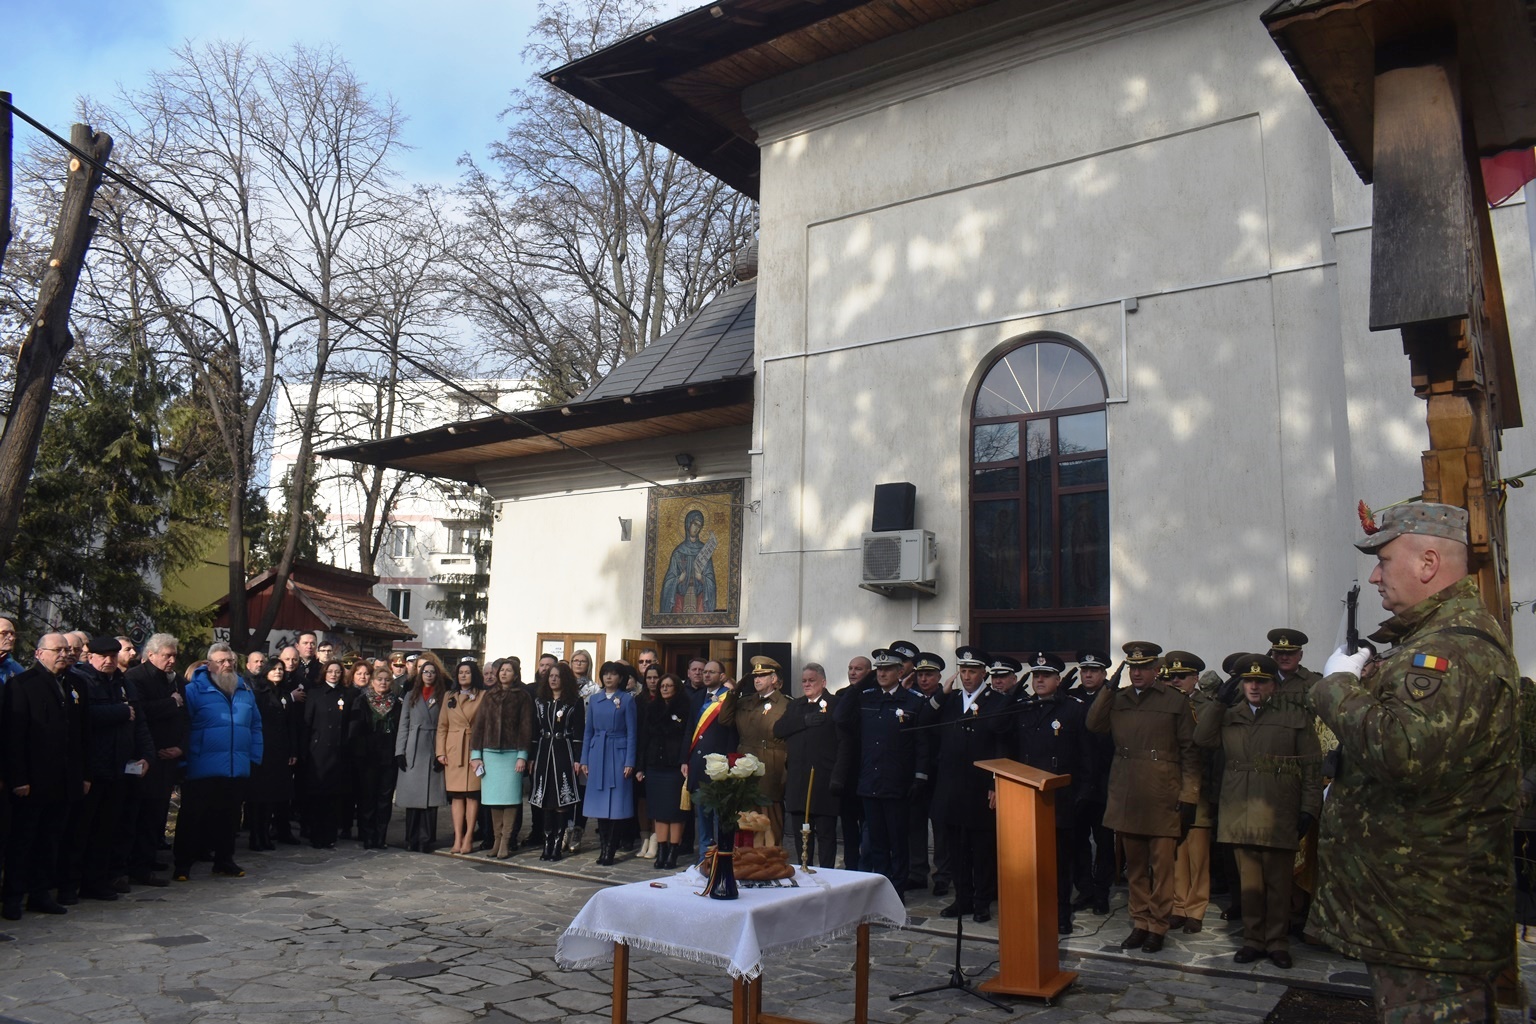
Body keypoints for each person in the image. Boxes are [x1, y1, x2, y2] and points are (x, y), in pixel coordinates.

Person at [1309, 502, 1518, 1022]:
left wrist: (1337, 686)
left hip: (1431, 919)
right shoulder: (1434, 640)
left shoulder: (1450, 650)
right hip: (1418, 912)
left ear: (1428, 563)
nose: (1375, 577)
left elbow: (1402, 752)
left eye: (1383, 561)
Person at [1195, 654, 1321, 970]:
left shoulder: (1294, 716)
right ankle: (1252, 939)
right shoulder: (1229, 715)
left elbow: (1311, 766)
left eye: (1261, 681)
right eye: (1248, 681)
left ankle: (1277, 942)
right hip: (1240, 807)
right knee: (1249, 883)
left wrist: (1309, 807)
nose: (1253, 687)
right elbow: (1202, 739)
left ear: (1273, 685)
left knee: (1279, 883)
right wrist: (1218, 704)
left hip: (1279, 807)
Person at [1085, 641, 1199, 954]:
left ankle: (1158, 925)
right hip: (1128, 792)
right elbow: (1093, 724)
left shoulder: (1174, 700)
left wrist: (1189, 795)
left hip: (1163, 792)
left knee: (1162, 868)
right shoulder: (1118, 698)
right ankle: (1140, 921)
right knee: (1134, 867)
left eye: (1144, 667)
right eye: (1133, 668)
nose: (1137, 673)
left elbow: (1190, 752)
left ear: (1156, 670)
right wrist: (1108, 688)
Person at [998, 652, 1094, 933]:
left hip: (1060, 798)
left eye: (1046, 676)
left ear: (1058, 679)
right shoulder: (1023, 707)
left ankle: (1061, 914)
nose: (1040, 680)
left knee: (1060, 862)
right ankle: (1031, 910)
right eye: (1036, 676)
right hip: (1026, 797)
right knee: (1028, 861)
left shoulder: (1073, 709)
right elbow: (1002, 735)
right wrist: (1014, 693)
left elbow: (1086, 756)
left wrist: (1083, 792)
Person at [833, 648, 933, 899]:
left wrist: (920, 776)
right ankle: (880, 887)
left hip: (898, 781)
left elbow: (922, 743)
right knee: (876, 842)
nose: (882, 674)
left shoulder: (913, 701)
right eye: (879, 670)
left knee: (898, 842)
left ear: (900, 672)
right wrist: (859, 685)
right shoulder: (866, 698)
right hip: (870, 780)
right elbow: (840, 717)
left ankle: (896, 891)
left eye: (887, 670)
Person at [2, 633, 88, 919]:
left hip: (64, 779)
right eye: (57, 650)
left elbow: (80, 734)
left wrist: (82, 774)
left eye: (67, 650)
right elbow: (14, 736)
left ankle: (40, 894)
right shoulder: (22, 684)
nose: (64, 654)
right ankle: (13, 897)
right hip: (33, 780)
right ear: (40, 653)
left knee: (51, 840)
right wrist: (19, 778)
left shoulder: (75, 684)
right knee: (23, 841)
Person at [62, 635, 153, 902]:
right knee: (80, 830)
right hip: (92, 768)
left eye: (113, 656)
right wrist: (120, 712)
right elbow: (82, 716)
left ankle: (96, 881)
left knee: (106, 830)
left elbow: (139, 722)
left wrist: (146, 755)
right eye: (103, 657)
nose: (109, 661)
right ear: (90, 656)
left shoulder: (124, 683)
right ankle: (69, 884)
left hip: (119, 767)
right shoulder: (81, 681)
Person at [173, 644, 262, 882]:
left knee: (230, 818)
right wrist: (184, 758)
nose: (227, 665)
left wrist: (254, 756)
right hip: (202, 765)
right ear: (209, 664)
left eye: (230, 660)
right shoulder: (194, 690)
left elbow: (255, 725)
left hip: (235, 765)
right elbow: (183, 725)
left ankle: (224, 861)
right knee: (192, 817)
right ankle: (182, 864)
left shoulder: (244, 689)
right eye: (221, 661)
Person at [929, 645, 1005, 922]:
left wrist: (995, 783)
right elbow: (925, 719)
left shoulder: (996, 701)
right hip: (951, 786)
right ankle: (963, 899)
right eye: (963, 671)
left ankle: (982, 901)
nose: (967, 676)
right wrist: (941, 694)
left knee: (982, 849)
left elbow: (1001, 744)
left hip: (979, 786)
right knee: (957, 848)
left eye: (972, 671)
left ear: (984, 673)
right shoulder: (950, 700)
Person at [123, 633, 185, 883]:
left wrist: (181, 747)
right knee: (140, 815)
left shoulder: (176, 680)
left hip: (169, 757)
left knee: (157, 814)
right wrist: (170, 703)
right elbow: (139, 712)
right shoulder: (135, 677)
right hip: (145, 757)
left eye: (174, 656)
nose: (172, 660)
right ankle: (134, 866)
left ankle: (146, 860)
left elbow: (186, 716)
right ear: (151, 655)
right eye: (167, 656)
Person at [1161, 651, 1215, 935]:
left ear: (1195, 678)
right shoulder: (1166, 705)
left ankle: (1196, 909)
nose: (1176, 681)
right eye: (1173, 677)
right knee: (1177, 852)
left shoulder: (1208, 706)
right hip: (1171, 787)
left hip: (1200, 788)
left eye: (1182, 676)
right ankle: (1178, 905)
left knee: (1198, 854)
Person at [775, 662, 841, 869]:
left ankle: (828, 872)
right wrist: (804, 720)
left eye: (811, 680)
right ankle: (805, 868)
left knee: (826, 833)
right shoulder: (796, 705)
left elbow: (843, 741)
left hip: (824, 778)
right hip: (798, 778)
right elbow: (779, 729)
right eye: (804, 681)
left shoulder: (835, 703)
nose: (807, 684)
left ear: (823, 682)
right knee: (801, 832)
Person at [1067, 649, 1115, 915]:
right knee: (1078, 840)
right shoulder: (1070, 697)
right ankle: (1084, 889)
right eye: (1084, 670)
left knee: (1105, 841)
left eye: (1093, 671)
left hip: (1105, 780)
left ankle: (1101, 892)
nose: (1087, 675)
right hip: (1077, 782)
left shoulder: (1113, 697)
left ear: (1103, 673)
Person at [470, 659, 534, 858]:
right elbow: (479, 726)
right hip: (490, 755)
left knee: (511, 799)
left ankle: (506, 840)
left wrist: (522, 756)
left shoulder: (523, 696)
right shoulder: (489, 695)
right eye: (502, 670)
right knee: (493, 800)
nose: (504, 673)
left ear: (516, 675)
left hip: (512, 754)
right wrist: (476, 755)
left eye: (509, 670)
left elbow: (526, 728)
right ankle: (496, 840)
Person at [578, 661, 638, 865]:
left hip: (618, 754)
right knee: (600, 805)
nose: (609, 678)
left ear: (620, 678)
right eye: (605, 674)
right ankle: (603, 848)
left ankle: (611, 850)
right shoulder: (595, 699)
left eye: (613, 674)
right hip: (598, 753)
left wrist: (630, 761)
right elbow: (588, 731)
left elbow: (632, 733)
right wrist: (585, 758)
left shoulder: (627, 700)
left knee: (617, 804)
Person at [727, 656, 790, 845]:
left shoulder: (786, 704)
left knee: (769, 817)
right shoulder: (745, 701)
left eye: (762, 676)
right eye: (755, 676)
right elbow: (724, 719)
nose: (757, 680)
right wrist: (734, 692)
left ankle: (770, 854)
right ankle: (747, 854)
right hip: (745, 767)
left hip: (770, 767)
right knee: (746, 816)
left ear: (774, 679)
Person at [300, 660, 359, 850]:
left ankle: (330, 834)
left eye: (337, 671)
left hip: (339, 752)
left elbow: (352, 723)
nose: (334, 674)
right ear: (324, 673)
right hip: (318, 752)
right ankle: (316, 834)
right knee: (318, 796)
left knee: (334, 797)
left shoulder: (348, 694)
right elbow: (307, 723)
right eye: (330, 671)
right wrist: (304, 750)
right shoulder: (315, 694)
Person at [906, 652, 950, 896]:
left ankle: (943, 874)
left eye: (929, 675)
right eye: (920, 674)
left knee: (941, 826)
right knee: (915, 823)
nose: (923, 679)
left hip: (940, 770)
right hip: (915, 771)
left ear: (939, 677)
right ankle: (917, 872)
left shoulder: (949, 699)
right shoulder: (910, 699)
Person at [530, 661, 584, 861]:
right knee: (546, 800)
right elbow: (534, 731)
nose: (553, 679)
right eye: (551, 676)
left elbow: (578, 732)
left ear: (565, 679)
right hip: (544, 752)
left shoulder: (574, 702)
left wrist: (578, 758)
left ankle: (557, 845)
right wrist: (532, 756)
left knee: (561, 798)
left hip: (564, 752)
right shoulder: (540, 702)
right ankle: (547, 844)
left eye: (557, 676)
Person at [395, 654, 448, 853]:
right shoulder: (411, 695)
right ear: (420, 674)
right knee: (412, 797)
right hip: (413, 747)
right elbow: (403, 725)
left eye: (432, 672)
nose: (429, 675)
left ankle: (426, 839)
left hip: (433, 746)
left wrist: (441, 753)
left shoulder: (443, 696)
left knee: (430, 799)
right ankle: (411, 838)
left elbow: (446, 725)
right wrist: (399, 752)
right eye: (425, 672)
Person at [685, 660, 737, 859]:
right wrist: (685, 759)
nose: (706, 675)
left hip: (719, 763)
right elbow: (690, 729)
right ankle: (705, 857)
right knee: (703, 811)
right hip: (698, 762)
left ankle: (723, 854)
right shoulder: (698, 697)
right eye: (705, 672)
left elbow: (732, 732)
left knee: (720, 813)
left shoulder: (729, 697)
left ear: (722, 676)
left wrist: (730, 759)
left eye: (711, 672)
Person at [637, 673, 690, 868]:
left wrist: (685, 760)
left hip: (675, 766)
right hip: (655, 765)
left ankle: (673, 851)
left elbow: (688, 737)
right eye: (662, 686)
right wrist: (640, 766)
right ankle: (662, 850)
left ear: (677, 688)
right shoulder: (652, 708)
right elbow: (644, 738)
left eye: (669, 685)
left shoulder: (685, 708)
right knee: (658, 811)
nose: (665, 689)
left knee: (675, 811)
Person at [247, 659, 299, 852]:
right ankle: (256, 835)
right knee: (259, 796)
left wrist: (293, 750)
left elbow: (291, 725)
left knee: (274, 795)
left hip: (280, 751)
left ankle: (267, 834)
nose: (278, 672)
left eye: (281, 669)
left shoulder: (285, 694)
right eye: (274, 669)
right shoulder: (258, 693)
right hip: (262, 750)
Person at [436, 658, 486, 855]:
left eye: (467, 672)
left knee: (472, 795)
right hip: (454, 750)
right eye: (460, 672)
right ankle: (457, 837)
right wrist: (441, 752)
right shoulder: (449, 696)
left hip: (474, 749)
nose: (463, 675)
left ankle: (469, 837)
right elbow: (442, 726)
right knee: (457, 795)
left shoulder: (483, 695)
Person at [354, 667, 402, 850]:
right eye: (379, 679)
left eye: (387, 679)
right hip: (367, 758)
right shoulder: (362, 701)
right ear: (372, 681)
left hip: (388, 758)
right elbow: (356, 730)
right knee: (368, 797)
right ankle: (367, 835)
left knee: (384, 798)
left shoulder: (397, 703)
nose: (383, 682)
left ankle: (381, 837)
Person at [660, 508, 717, 613]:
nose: (696, 529)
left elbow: (711, 581)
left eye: (699, 526)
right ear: (688, 523)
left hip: (699, 597)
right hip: (680, 597)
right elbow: (668, 581)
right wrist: (678, 579)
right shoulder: (678, 552)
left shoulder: (704, 550)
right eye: (695, 524)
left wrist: (701, 578)